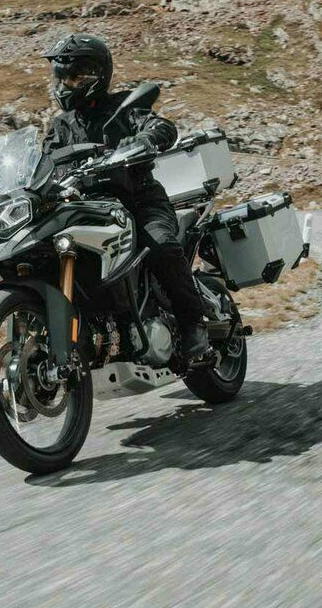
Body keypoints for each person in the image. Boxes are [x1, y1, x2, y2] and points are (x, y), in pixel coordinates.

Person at [40, 32, 213, 364]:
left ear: (95, 76)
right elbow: (43, 165)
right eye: (61, 78)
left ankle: (194, 325)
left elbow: (161, 126)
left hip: (139, 202)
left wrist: (146, 139)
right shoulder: (60, 127)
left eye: (73, 78)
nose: (64, 86)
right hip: (89, 211)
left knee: (161, 245)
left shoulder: (123, 108)